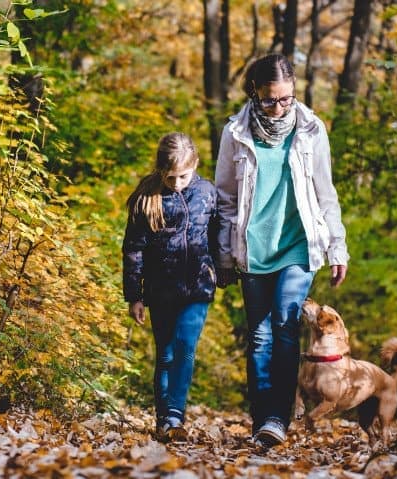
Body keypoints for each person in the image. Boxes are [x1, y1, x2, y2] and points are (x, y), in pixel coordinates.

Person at [214, 53, 349, 447]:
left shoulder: (311, 130)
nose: (278, 108)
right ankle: (262, 421)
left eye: (286, 99)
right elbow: (224, 197)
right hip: (253, 248)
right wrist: (223, 254)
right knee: (258, 336)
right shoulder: (235, 133)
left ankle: (277, 418)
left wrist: (337, 246)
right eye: (270, 99)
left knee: (285, 326)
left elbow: (326, 192)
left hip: (297, 245)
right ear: (255, 92)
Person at [123, 132, 218, 443]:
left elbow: (218, 237)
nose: (177, 183)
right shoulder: (146, 199)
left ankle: (175, 414)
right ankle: (163, 418)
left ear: (196, 166)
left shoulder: (207, 192)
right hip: (160, 289)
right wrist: (134, 295)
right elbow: (133, 249)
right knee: (165, 353)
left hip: (198, 287)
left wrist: (223, 270)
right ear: (160, 171)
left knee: (185, 348)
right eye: (171, 177)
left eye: (183, 176)